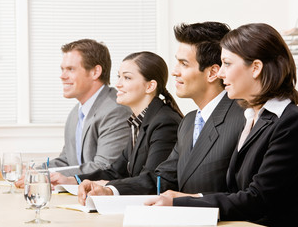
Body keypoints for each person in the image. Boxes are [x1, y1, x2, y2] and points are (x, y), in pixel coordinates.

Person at [146, 23, 298, 226]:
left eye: (227, 64)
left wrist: (182, 203)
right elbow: (237, 193)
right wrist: (186, 198)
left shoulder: (291, 123)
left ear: (255, 68)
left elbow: (258, 198)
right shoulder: (252, 117)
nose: (220, 73)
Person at [77, 22, 245, 205]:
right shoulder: (189, 122)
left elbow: (247, 196)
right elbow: (162, 178)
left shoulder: (243, 118)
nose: (174, 72)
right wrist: (110, 191)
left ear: (213, 73)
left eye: (184, 64)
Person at [50, 51, 183, 186]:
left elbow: (153, 181)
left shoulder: (164, 122)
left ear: (149, 86)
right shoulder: (137, 122)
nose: (118, 84)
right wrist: (72, 180)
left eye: (127, 78)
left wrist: (109, 188)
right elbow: (115, 172)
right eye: (119, 76)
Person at [15, 39, 131, 189]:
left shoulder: (116, 110)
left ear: (95, 72)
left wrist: (44, 175)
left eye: (70, 69)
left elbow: (104, 167)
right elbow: (67, 160)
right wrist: (36, 171)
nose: (62, 76)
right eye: (62, 69)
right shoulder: (76, 113)